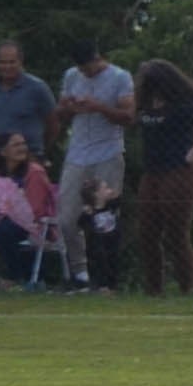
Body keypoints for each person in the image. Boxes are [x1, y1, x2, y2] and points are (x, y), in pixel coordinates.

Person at [125, 59, 193, 296]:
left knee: (176, 231)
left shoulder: (185, 103)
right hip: (152, 171)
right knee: (147, 230)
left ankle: (188, 287)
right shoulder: (145, 103)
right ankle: (154, 288)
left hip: (179, 170)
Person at [53, 39, 136, 281]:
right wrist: (69, 108)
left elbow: (129, 116)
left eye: (87, 67)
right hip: (78, 152)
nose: (84, 73)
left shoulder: (120, 77)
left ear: (96, 58)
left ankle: (107, 274)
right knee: (67, 218)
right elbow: (59, 112)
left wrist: (100, 107)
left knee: (104, 216)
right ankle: (80, 271)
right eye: (80, 69)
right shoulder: (71, 76)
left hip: (107, 151)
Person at [0, 134, 48, 289]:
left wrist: (2, 216)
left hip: (29, 222)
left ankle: (15, 277)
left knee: (4, 231)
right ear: (3, 152)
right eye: (16, 145)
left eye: (23, 144)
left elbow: (35, 208)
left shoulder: (34, 172)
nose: (22, 148)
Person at [0, 39, 57, 170]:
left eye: (12, 62)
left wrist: (40, 152)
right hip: (1, 160)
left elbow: (53, 124)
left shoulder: (37, 88)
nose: (7, 67)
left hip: (30, 158)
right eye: (2, 62)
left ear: (20, 62)